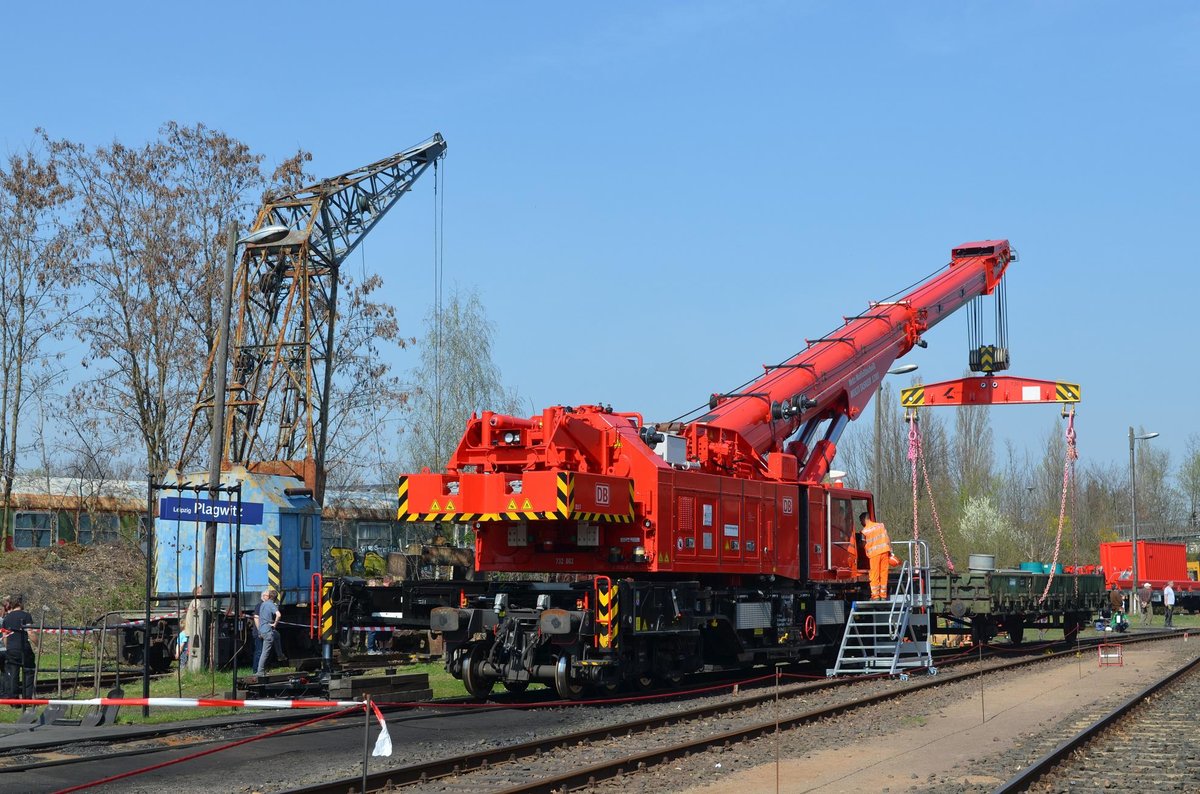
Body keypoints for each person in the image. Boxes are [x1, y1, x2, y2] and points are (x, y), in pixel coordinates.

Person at [3, 595, 36, 703]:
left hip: (11, 649)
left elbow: (5, 637)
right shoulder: (26, 615)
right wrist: (38, 644)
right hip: (24, 648)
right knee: (29, 671)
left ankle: (13, 700)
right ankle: (27, 698)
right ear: (20, 604)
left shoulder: (6, 618)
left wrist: (8, 648)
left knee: (13, 674)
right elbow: (30, 632)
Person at [858, 512, 893, 601]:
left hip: (874, 554)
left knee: (874, 574)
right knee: (884, 573)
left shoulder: (864, 531)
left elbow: (862, 545)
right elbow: (887, 538)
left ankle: (875, 596)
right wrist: (891, 551)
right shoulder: (880, 526)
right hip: (885, 551)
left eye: (861, 521)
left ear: (864, 519)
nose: (861, 523)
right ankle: (883, 595)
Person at [254, 589, 280, 677]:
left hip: (262, 630)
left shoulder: (262, 604)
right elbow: (278, 615)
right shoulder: (271, 604)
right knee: (265, 653)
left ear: (268, 596)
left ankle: (280, 654)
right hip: (267, 631)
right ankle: (260, 671)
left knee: (277, 635)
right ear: (275, 598)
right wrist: (275, 624)